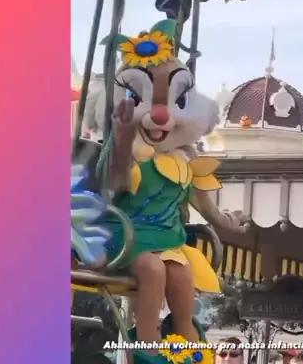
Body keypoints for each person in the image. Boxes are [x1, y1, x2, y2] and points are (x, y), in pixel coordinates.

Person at [93, 20, 246, 362]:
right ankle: (147, 343)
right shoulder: (127, 148)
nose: (161, 115)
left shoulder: (185, 157)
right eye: (138, 98)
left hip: (167, 239)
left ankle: (186, 343)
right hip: (125, 236)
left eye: (177, 100)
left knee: (181, 273)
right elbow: (113, 185)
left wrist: (225, 221)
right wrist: (121, 140)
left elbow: (204, 204)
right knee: (152, 270)